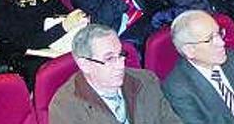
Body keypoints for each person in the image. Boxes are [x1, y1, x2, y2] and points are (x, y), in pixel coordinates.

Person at [49, 24, 182, 124]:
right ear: (85, 64)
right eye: (109, 58)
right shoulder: (65, 107)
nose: (120, 65)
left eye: (120, 55)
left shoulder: (146, 80)